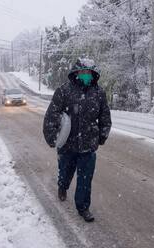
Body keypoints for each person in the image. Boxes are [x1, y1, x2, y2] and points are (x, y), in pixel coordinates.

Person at [43, 58, 112, 222]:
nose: (86, 75)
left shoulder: (99, 93)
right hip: (67, 144)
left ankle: (83, 207)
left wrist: (102, 135)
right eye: (82, 72)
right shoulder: (63, 91)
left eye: (89, 73)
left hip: (88, 145)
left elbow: (105, 116)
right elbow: (52, 115)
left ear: (93, 74)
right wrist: (51, 137)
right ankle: (62, 186)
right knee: (65, 172)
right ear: (75, 73)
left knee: (85, 178)